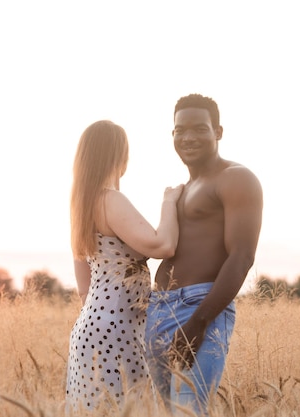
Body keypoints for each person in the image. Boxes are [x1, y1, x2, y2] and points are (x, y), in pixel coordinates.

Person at [145, 94, 263, 416]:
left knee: (189, 412)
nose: (188, 137)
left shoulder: (236, 178)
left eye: (199, 129)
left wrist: (199, 322)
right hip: (160, 311)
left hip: (198, 309)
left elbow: (241, 256)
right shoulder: (183, 189)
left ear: (218, 132)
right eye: (180, 130)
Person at [66, 120, 184, 414]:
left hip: (90, 327)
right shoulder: (110, 200)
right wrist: (169, 202)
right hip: (118, 329)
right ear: (119, 156)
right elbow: (162, 245)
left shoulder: (82, 206)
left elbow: (84, 286)